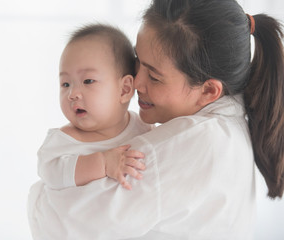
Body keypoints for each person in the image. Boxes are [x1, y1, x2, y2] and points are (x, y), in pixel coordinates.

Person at [28, 0, 284, 239]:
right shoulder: (231, 124)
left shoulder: (188, 143)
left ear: (208, 91)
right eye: (138, 62)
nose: (135, 82)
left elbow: (57, 224)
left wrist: (37, 194)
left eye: (154, 76)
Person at [28, 23, 153, 239]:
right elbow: (49, 172)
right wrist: (103, 163)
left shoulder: (142, 128)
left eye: (88, 81)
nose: (73, 94)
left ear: (124, 89)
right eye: (65, 84)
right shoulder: (64, 139)